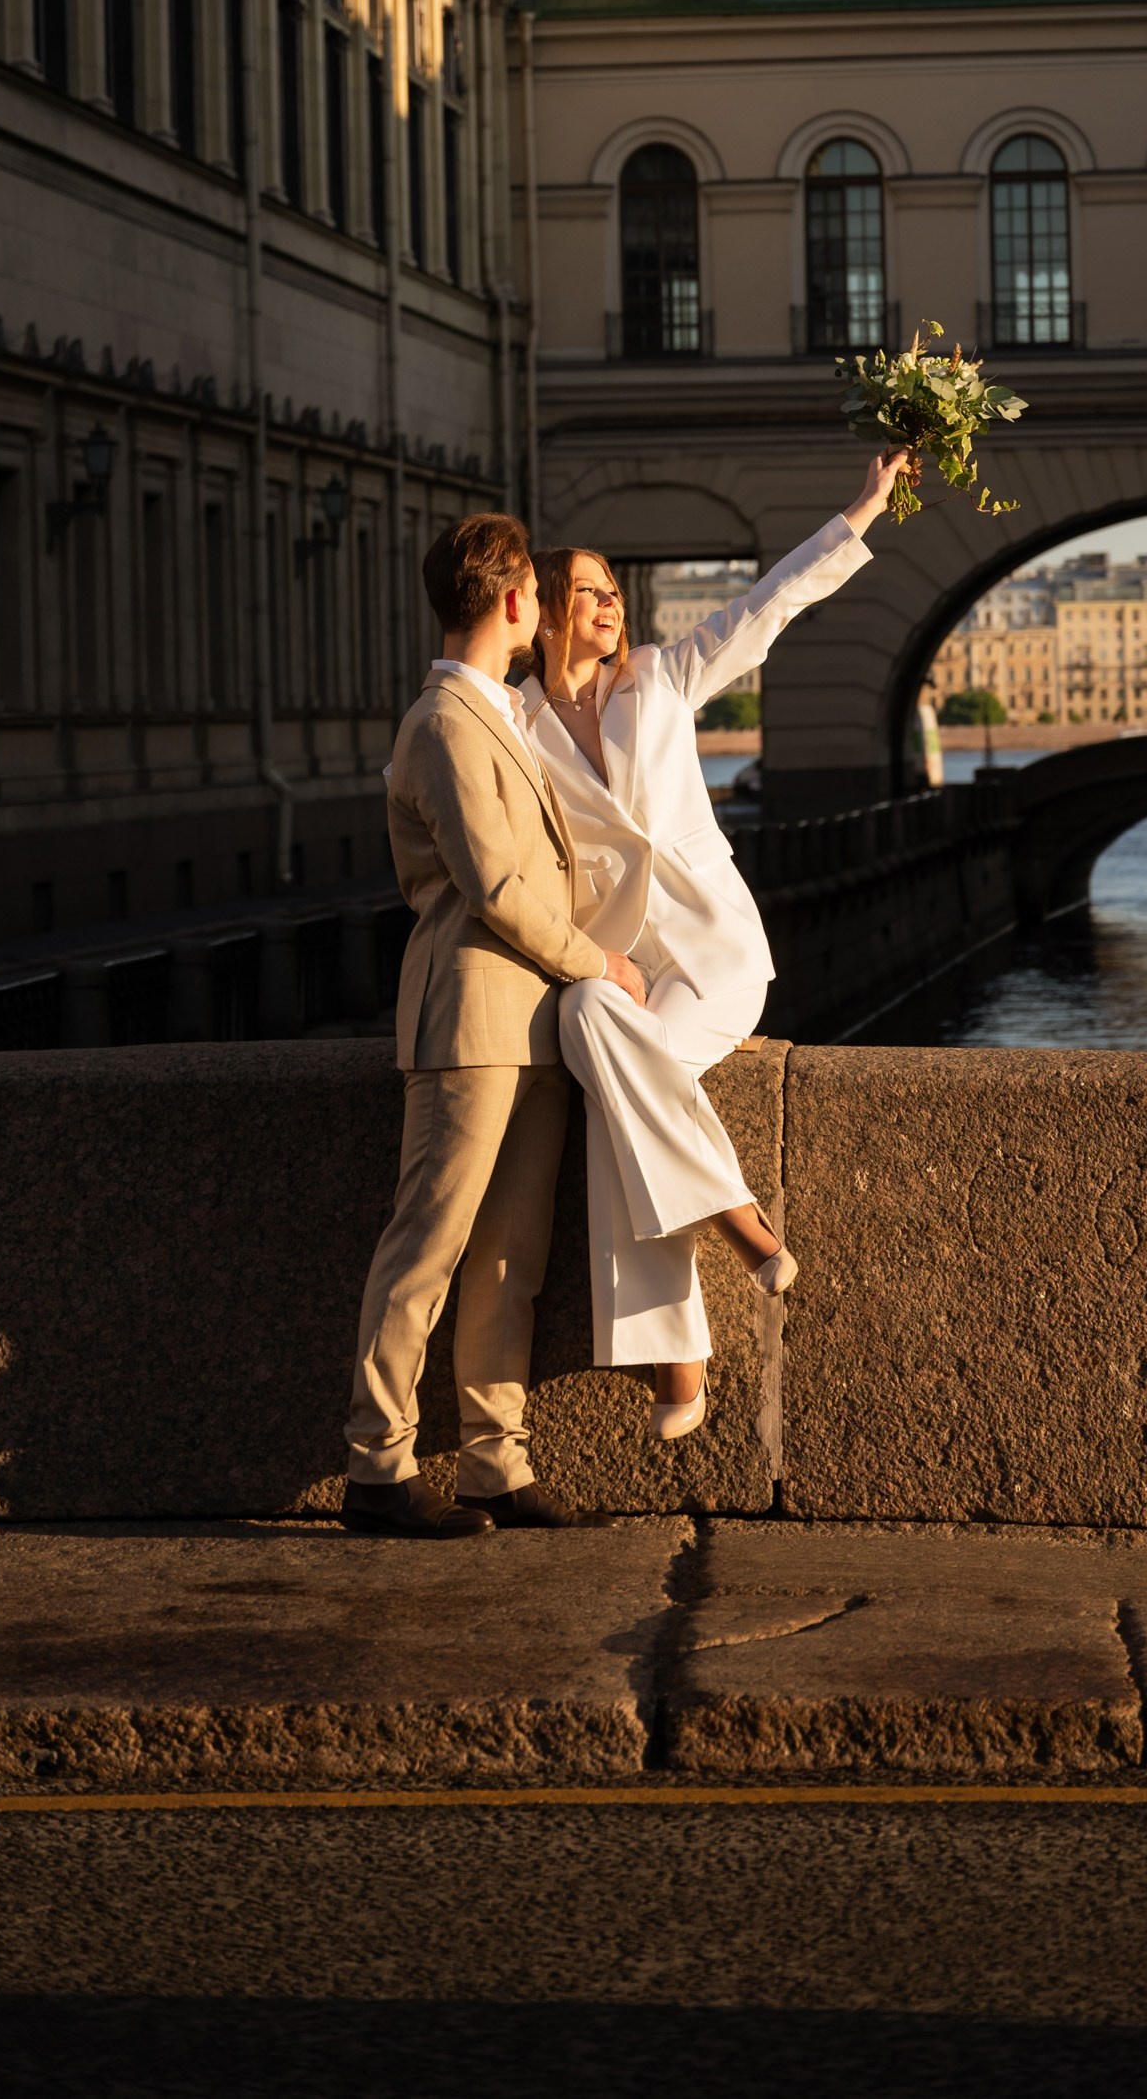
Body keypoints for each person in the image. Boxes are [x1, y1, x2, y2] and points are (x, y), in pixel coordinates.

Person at [523, 453, 908, 1440]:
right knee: (583, 1013)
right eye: (586, 591)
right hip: (623, 965)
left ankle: (677, 1361)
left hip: (715, 948)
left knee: (617, 1100)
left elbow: (764, 608)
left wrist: (859, 509)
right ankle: (735, 1220)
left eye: (613, 589)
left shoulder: (657, 674)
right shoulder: (516, 724)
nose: (608, 605)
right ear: (542, 610)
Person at [342, 511, 648, 1535]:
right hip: (471, 1015)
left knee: (509, 1258)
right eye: (538, 592)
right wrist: (596, 961)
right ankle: (376, 1465)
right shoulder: (442, 721)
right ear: (515, 599)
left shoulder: (499, 716)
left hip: (530, 1022)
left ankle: (493, 1462)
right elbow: (499, 886)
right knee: (425, 1246)